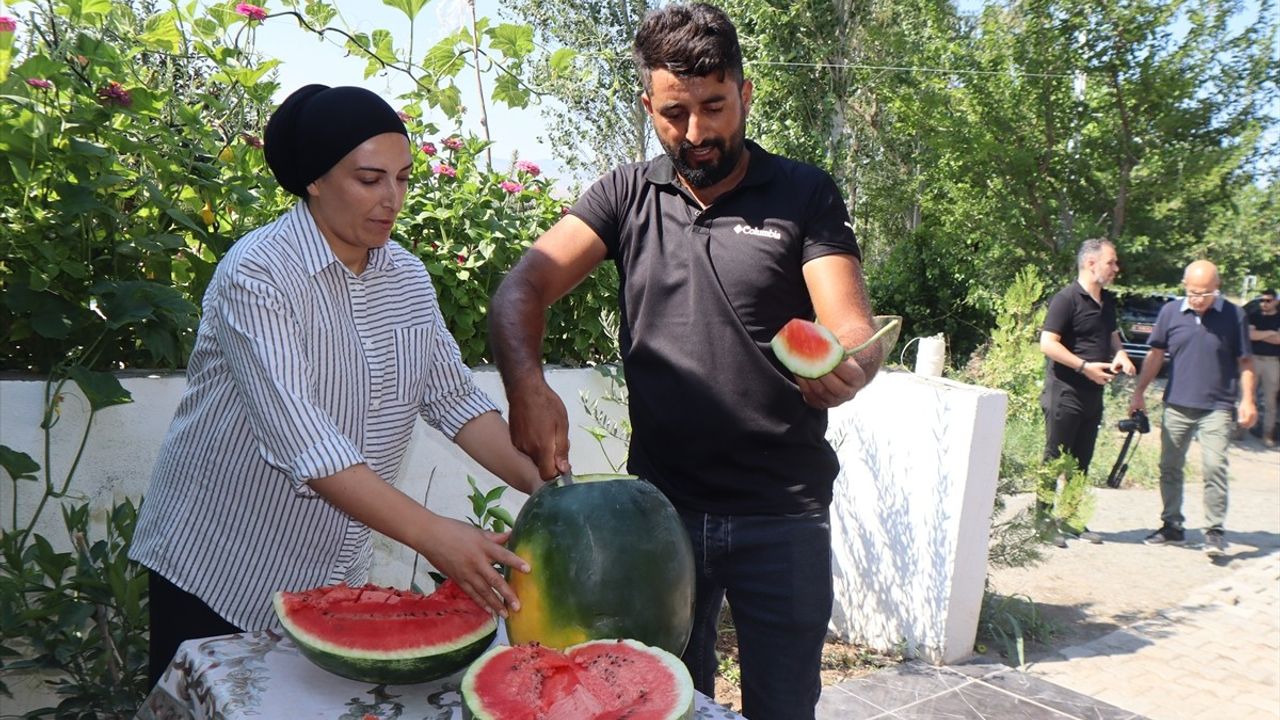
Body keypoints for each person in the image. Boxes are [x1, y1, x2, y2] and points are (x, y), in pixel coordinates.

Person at [487, 5, 883, 718]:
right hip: (661, 514)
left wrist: (854, 362)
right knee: (655, 702)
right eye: (674, 114)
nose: (696, 133)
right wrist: (526, 385)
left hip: (783, 511)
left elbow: (848, 321)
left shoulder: (804, 194)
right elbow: (523, 287)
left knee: (785, 706)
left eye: (714, 107)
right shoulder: (623, 195)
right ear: (648, 106)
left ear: (745, 94)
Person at [129, 85, 541, 686]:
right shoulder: (258, 274)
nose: (392, 199)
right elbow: (307, 445)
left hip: (331, 572)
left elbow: (454, 400)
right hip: (217, 565)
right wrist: (435, 535)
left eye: (402, 178)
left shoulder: (405, 274)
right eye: (370, 179)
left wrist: (556, 494)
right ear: (315, 180)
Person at [1129, 260, 1256, 558]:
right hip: (1177, 404)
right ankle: (1172, 526)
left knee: (1214, 466)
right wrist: (1139, 392)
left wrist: (1248, 400)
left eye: (1205, 293)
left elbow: (1246, 362)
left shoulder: (1233, 316)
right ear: (1184, 286)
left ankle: (1214, 531)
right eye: (1193, 292)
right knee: (1169, 466)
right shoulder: (1171, 312)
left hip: (1218, 406)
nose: (1198, 299)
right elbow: (1156, 354)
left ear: (1217, 288)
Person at [1038, 239, 1136, 545]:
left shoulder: (1107, 300)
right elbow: (1048, 344)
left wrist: (1120, 354)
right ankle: (1041, 522)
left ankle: (1069, 519)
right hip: (1064, 391)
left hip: (1093, 395)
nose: (1116, 268)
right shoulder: (1066, 299)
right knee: (1056, 460)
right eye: (1111, 262)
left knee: (1082, 460)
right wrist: (1084, 367)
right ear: (1090, 263)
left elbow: (1111, 334)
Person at [1246, 288, 1280, 447]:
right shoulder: (1254, 316)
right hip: (1253, 360)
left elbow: (1279, 340)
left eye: (1268, 301)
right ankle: (1240, 429)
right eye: (1262, 300)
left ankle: (1268, 434)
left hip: (1272, 362)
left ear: (1276, 301)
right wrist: (1270, 333)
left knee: (1270, 400)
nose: (1264, 304)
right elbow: (1250, 335)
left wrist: (1260, 334)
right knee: (1246, 395)